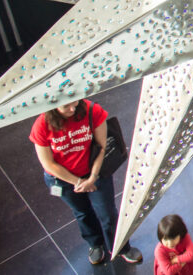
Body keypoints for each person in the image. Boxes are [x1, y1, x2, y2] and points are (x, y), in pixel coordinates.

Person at [30, 99, 143, 266]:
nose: (72, 108)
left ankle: (120, 246)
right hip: (64, 181)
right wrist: (78, 182)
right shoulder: (42, 125)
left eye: (74, 103)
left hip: (95, 173)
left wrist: (92, 178)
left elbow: (102, 146)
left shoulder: (92, 111)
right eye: (65, 106)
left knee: (108, 212)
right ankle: (95, 244)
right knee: (82, 212)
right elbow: (48, 164)